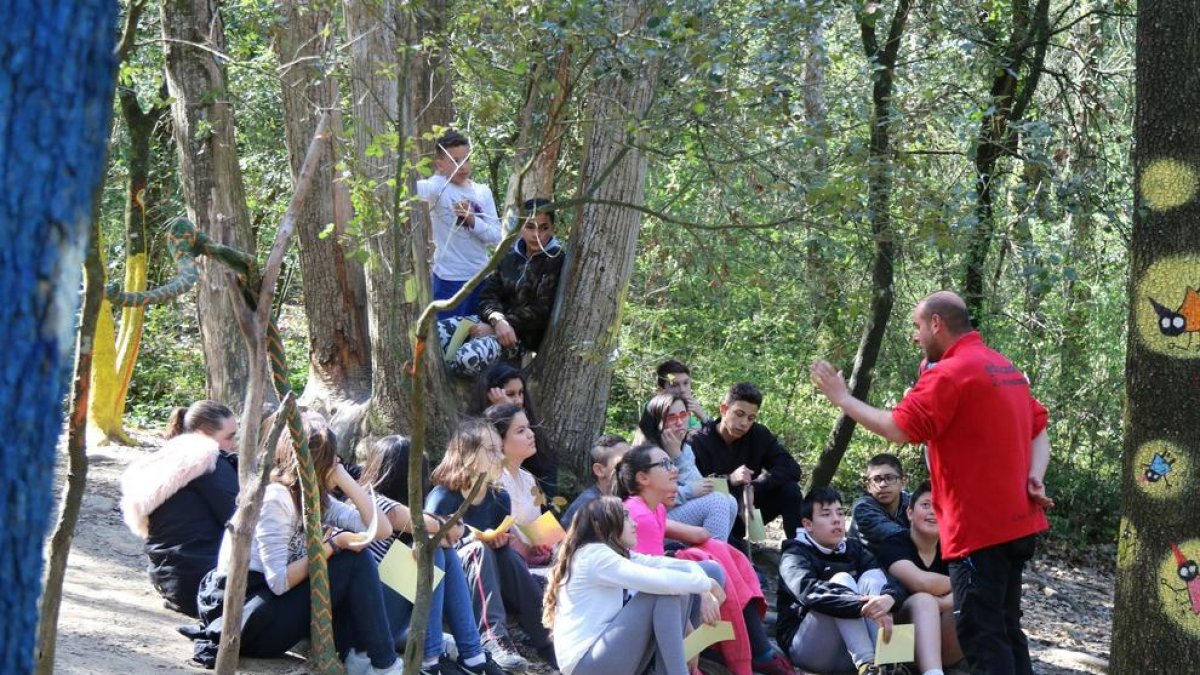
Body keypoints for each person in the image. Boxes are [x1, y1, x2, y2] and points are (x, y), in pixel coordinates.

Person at [811, 290, 1054, 675]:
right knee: (1006, 628)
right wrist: (1034, 476)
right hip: (1018, 524)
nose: (914, 336)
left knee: (983, 634)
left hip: (979, 530)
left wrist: (843, 398)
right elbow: (1040, 431)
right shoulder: (1002, 366)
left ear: (936, 324)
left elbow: (896, 428)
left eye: (917, 326)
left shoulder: (950, 373)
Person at [183, 416, 401, 674]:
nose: (336, 464)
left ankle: (359, 655)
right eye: (331, 459)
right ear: (316, 463)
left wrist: (345, 479)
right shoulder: (277, 498)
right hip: (250, 618)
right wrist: (332, 545)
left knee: (356, 557)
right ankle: (384, 664)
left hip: (272, 608)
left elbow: (381, 529)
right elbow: (278, 582)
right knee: (353, 559)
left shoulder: (314, 499)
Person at [617, 444, 792, 675]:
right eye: (665, 464)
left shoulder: (655, 510)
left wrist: (700, 584)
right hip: (630, 616)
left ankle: (702, 649)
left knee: (714, 561)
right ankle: (679, 659)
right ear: (642, 478)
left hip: (654, 600)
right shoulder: (638, 515)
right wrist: (698, 594)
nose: (674, 470)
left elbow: (663, 565)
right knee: (708, 567)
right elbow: (650, 584)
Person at [358, 435, 508, 675]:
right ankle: (430, 659)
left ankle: (472, 656)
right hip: (370, 618)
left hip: (394, 618)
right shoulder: (369, 500)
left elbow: (453, 533)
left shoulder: (404, 507)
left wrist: (447, 528)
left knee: (438, 548)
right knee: (431, 548)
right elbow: (441, 528)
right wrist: (446, 526)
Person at [425, 419, 555, 670]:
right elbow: (428, 547)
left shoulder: (499, 497)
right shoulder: (443, 497)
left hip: (489, 575)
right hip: (451, 578)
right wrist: (468, 539)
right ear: (469, 454)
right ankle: (492, 637)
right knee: (477, 549)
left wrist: (499, 539)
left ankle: (548, 634)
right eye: (491, 450)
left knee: (504, 553)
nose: (500, 456)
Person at [542, 496, 723, 675]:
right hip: (587, 666)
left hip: (608, 656)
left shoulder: (621, 555)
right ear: (600, 525)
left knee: (675, 585)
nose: (634, 523)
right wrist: (706, 585)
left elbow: (682, 566)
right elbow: (658, 581)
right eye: (626, 516)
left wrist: (705, 590)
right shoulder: (593, 555)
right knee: (664, 590)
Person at [119, 400, 239, 617]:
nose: (235, 444)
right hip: (203, 589)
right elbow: (241, 519)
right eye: (230, 437)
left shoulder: (167, 460)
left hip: (169, 582)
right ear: (203, 433)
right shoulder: (209, 462)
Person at [776, 487, 904, 675]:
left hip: (847, 651)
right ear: (808, 524)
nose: (836, 519)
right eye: (826, 514)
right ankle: (869, 666)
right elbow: (809, 593)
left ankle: (890, 661)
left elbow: (891, 580)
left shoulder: (854, 548)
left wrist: (889, 598)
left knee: (874, 577)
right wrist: (862, 605)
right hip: (808, 649)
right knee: (842, 580)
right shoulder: (794, 555)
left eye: (840, 513)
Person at [437, 198, 564, 377]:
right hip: (493, 322)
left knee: (467, 358)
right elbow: (488, 295)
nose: (537, 235)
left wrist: (501, 326)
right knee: (434, 334)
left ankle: (469, 392)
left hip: (521, 337)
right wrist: (496, 320)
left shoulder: (556, 259)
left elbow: (541, 310)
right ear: (520, 227)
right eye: (529, 227)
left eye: (544, 228)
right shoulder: (509, 255)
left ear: (553, 229)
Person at [690, 382, 804, 543]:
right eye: (739, 414)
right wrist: (730, 480)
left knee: (790, 490)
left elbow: (792, 468)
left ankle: (800, 547)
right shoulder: (698, 442)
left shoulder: (758, 434)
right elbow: (692, 489)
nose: (744, 423)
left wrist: (755, 487)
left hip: (748, 513)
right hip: (713, 517)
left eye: (751, 418)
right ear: (724, 409)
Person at [875, 482, 965, 675]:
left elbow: (972, 588)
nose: (933, 512)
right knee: (924, 600)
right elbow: (920, 582)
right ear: (909, 513)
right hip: (895, 645)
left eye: (941, 507)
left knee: (972, 598)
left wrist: (959, 590)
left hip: (942, 645)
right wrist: (958, 585)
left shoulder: (953, 551)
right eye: (926, 505)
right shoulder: (894, 544)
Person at [417, 130, 501, 320]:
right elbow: (408, 189)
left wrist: (472, 220)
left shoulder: (482, 192)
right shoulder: (438, 186)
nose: (462, 166)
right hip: (449, 280)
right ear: (440, 165)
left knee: (477, 333)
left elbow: (495, 236)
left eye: (466, 159)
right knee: (447, 338)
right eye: (455, 161)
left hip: (481, 277)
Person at [637, 392, 738, 541]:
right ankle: (713, 559)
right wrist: (689, 491)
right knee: (717, 501)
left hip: (675, 515)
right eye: (672, 417)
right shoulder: (647, 455)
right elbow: (654, 502)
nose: (679, 422)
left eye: (683, 415)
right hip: (651, 522)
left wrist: (678, 456)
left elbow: (700, 486)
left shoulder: (684, 449)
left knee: (730, 500)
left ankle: (712, 555)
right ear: (657, 422)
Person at [466, 363, 558, 498]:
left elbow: (547, 492)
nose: (519, 401)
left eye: (521, 393)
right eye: (510, 394)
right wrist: (503, 413)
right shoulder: (474, 436)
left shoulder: (532, 434)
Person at [485, 403, 552, 566]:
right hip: (505, 564)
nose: (531, 434)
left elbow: (538, 531)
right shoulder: (493, 481)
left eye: (528, 428)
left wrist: (543, 545)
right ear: (499, 441)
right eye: (520, 431)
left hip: (533, 562)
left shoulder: (528, 478)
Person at [560, 434, 631, 527]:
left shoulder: (629, 498)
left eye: (633, 459)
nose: (633, 467)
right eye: (623, 463)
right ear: (599, 470)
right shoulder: (587, 506)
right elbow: (549, 540)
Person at [850, 453, 912, 555]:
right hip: (869, 567)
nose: (882, 484)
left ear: (903, 482)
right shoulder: (863, 509)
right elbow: (895, 536)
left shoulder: (911, 502)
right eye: (876, 479)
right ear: (868, 486)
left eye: (890, 478)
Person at [638, 359, 712, 433]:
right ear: (662, 390)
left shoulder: (688, 413)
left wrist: (703, 416)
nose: (682, 390)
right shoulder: (654, 409)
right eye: (674, 385)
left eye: (686, 383)